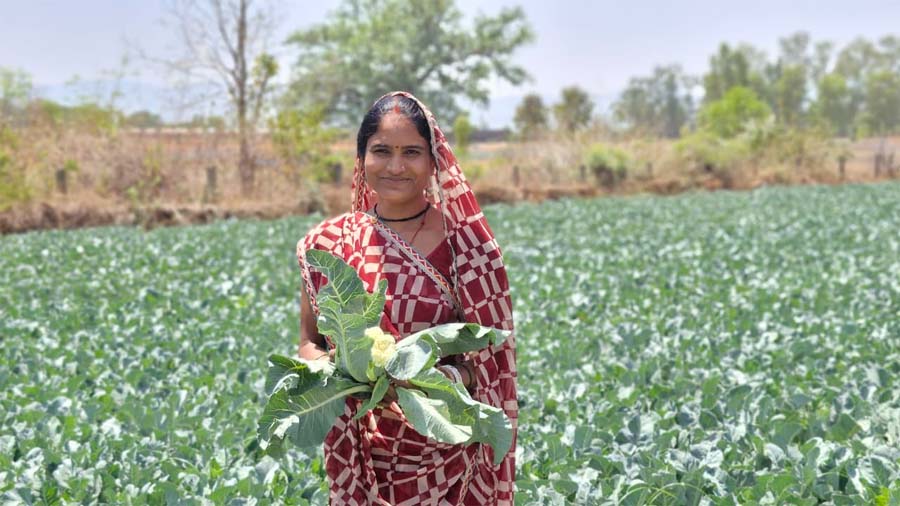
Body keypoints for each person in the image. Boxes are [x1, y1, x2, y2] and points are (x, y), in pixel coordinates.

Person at [295, 91, 517, 505]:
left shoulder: (468, 249)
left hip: (451, 454)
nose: (396, 166)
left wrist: (426, 380)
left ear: (434, 162)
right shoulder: (328, 243)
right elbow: (311, 341)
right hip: (363, 454)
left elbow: (491, 362)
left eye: (411, 152)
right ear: (361, 159)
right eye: (381, 151)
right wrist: (343, 376)